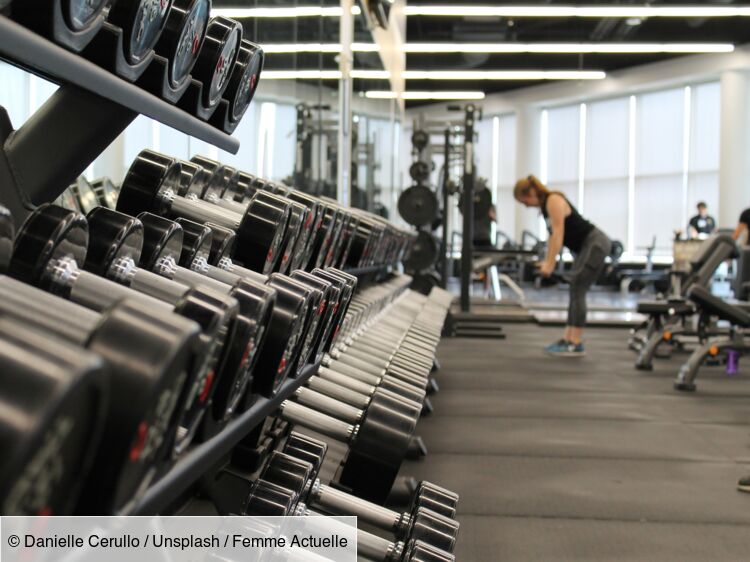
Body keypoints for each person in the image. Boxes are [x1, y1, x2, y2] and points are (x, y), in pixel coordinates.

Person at [514, 175, 611, 357]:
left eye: (524, 200)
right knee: (575, 288)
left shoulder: (553, 200)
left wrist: (550, 264)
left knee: (578, 288)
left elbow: (558, 234)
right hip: (586, 247)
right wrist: (547, 260)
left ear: (531, 192)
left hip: (595, 243)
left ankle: (575, 342)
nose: (526, 205)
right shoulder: (546, 208)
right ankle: (568, 339)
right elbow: (553, 237)